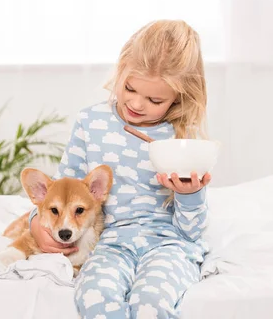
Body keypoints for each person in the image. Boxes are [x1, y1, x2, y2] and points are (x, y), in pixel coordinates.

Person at [29, 19, 211, 318]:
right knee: (95, 298)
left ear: (179, 96)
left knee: (151, 304)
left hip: (168, 245)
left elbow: (191, 232)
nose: (137, 104)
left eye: (155, 100)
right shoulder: (91, 122)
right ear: (121, 69)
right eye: (130, 88)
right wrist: (37, 224)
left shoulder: (180, 138)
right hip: (109, 243)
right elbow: (60, 191)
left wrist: (191, 195)